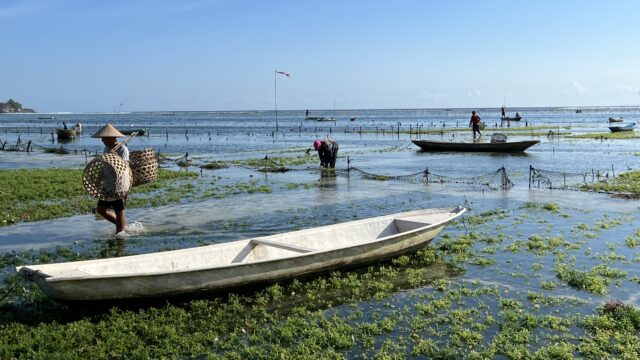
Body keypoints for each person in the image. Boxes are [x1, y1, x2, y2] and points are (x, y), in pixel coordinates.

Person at [92, 123, 129, 234]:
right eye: (102, 138)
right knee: (101, 209)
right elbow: (105, 165)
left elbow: (125, 167)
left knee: (119, 210)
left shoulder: (122, 149)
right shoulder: (106, 148)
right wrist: (98, 180)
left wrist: (124, 187)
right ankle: (123, 227)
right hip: (107, 184)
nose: (102, 140)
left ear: (112, 138)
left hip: (119, 184)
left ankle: (120, 235)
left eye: (104, 138)